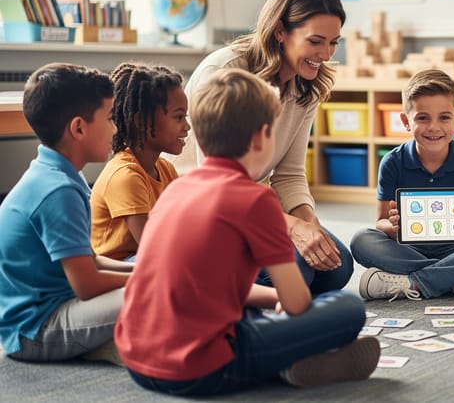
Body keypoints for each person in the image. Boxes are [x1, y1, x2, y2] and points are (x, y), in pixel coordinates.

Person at [115, 68, 378, 396]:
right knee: (348, 306)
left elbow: (204, 287)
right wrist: (286, 301)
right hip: (200, 370)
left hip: (136, 360)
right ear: (260, 137)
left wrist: (273, 299)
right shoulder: (257, 199)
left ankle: (289, 361)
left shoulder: (176, 189)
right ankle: (286, 365)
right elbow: (296, 304)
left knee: (252, 311)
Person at [171, 0, 353, 294]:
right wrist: (292, 228)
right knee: (297, 266)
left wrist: (308, 224)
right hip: (209, 210)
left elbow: (290, 174)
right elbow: (216, 186)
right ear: (281, 31)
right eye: (315, 41)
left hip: (256, 204)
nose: (326, 54)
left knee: (339, 267)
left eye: (334, 42)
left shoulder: (307, 83)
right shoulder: (224, 73)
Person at [0, 63, 131, 363]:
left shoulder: (57, 173)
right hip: (36, 330)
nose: (115, 128)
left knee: (144, 267)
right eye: (110, 118)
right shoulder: (58, 190)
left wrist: (144, 269)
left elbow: (90, 259)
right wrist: (150, 280)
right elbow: (86, 285)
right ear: (79, 128)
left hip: (53, 309)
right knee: (157, 291)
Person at [350, 69, 454, 300]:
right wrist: (393, 228)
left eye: (444, 117)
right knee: (361, 241)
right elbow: (380, 223)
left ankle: (415, 282)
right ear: (406, 122)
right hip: (408, 249)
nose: (434, 127)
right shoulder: (392, 162)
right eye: (422, 117)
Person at [90, 62, 189, 261]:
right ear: (141, 121)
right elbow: (153, 249)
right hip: (121, 267)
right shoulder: (125, 176)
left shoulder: (166, 168)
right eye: (178, 117)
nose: (187, 126)